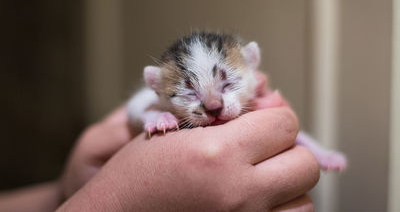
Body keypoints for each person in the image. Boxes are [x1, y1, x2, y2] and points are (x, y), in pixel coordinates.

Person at [0, 74, 319, 211]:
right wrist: (112, 203)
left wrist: (62, 197)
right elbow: (138, 108)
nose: (213, 105)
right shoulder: (152, 98)